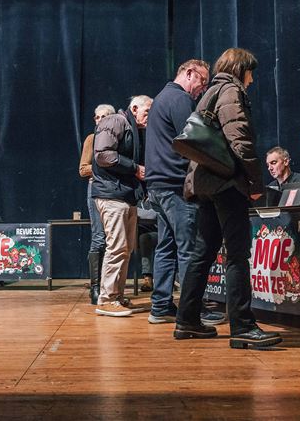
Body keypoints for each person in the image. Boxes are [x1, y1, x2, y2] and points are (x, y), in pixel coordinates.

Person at [175, 48, 282, 349]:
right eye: (251, 73)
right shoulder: (230, 90)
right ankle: (243, 327)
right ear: (241, 69)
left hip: (206, 183)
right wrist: (255, 182)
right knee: (237, 255)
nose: (252, 79)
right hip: (226, 183)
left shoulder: (210, 91)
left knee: (203, 253)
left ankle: (187, 321)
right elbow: (240, 139)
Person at [144, 58, 225, 326]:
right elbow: (194, 139)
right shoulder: (179, 100)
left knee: (165, 247)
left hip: (157, 186)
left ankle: (160, 306)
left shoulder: (159, 99)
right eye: (202, 82)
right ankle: (194, 310)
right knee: (189, 249)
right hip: (174, 186)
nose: (202, 90)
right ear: (188, 73)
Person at [91, 95, 152, 317]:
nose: (149, 117)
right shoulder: (115, 121)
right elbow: (103, 155)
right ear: (134, 108)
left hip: (125, 195)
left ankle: (115, 295)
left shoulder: (133, 129)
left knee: (125, 249)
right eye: (147, 112)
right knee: (117, 247)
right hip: (111, 195)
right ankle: (106, 299)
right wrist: (134, 168)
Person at [78, 103, 116, 304]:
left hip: (115, 190)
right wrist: (105, 168)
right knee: (99, 236)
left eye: (104, 116)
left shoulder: (117, 138)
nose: (99, 120)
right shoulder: (92, 139)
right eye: (97, 117)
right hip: (96, 189)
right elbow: (83, 169)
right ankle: (95, 287)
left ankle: (109, 288)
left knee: (115, 241)